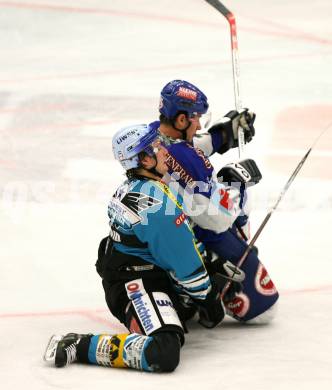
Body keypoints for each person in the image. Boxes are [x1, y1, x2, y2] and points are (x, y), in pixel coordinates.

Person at [44, 123, 235, 373]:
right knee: (164, 352)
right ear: (143, 159)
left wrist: (209, 264)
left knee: (193, 303)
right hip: (136, 283)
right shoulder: (153, 203)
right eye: (157, 147)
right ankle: (78, 344)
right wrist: (208, 298)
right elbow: (184, 262)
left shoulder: (146, 186)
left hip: (144, 271)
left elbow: (180, 240)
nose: (165, 151)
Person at [149, 79, 279, 323]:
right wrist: (237, 183)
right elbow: (217, 220)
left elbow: (188, 148)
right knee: (264, 308)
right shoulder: (190, 162)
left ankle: (192, 285)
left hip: (159, 236)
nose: (198, 123)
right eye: (195, 117)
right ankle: (203, 288)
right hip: (193, 234)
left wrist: (223, 134)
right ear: (180, 120)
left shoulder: (154, 135)